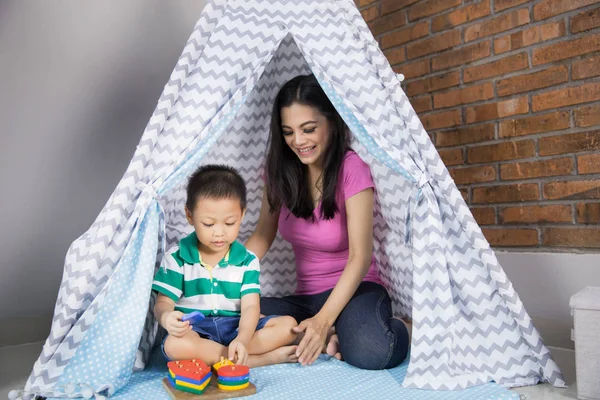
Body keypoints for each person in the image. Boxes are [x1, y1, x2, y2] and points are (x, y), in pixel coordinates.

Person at [245, 74, 410, 370]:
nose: (298, 141)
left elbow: (361, 258)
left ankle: (403, 327)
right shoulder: (278, 172)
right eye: (288, 132)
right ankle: (329, 335)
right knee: (223, 317)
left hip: (356, 290)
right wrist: (221, 276)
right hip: (306, 298)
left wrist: (323, 321)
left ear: (331, 122)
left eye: (308, 129)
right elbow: (261, 235)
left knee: (372, 351)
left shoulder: (352, 169)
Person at [152, 164, 298, 368]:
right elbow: (163, 303)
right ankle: (261, 360)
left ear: (242, 215)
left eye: (229, 223)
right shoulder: (177, 258)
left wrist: (243, 339)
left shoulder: (247, 260)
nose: (219, 233)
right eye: (209, 224)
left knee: (289, 326)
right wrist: (167, 318)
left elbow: (250, 307)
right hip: (197, 331)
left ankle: (228, 354)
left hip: (235, 327)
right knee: (174, 345)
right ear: (190, 216)